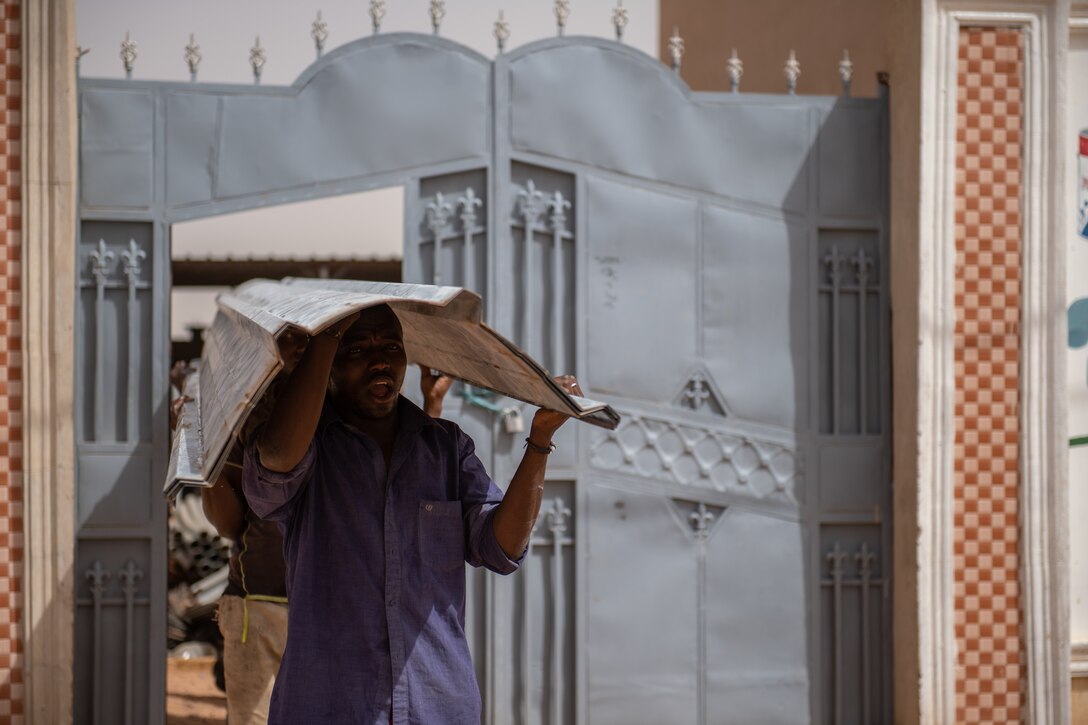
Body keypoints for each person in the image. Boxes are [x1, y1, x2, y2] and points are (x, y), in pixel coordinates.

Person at [242, 304, 579, 724]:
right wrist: (325, 337)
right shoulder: (309, 450)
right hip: (330, 704)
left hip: (437, 704)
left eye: (391, 345)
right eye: (357, 348)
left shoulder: (447, 448)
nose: (380, 359)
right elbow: (274, 462)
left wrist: (540, 439)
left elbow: (502, 547)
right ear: (327, 363)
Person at [198, 326, 453, 724]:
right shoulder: (254, 414)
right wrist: (206, 461)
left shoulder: (352, 419)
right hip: (263, 602)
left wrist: (430, 407)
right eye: (296, 341)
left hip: (340, 614)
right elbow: (230, 524)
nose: (304, 348)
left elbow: (401, 495)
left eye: (317, 339)